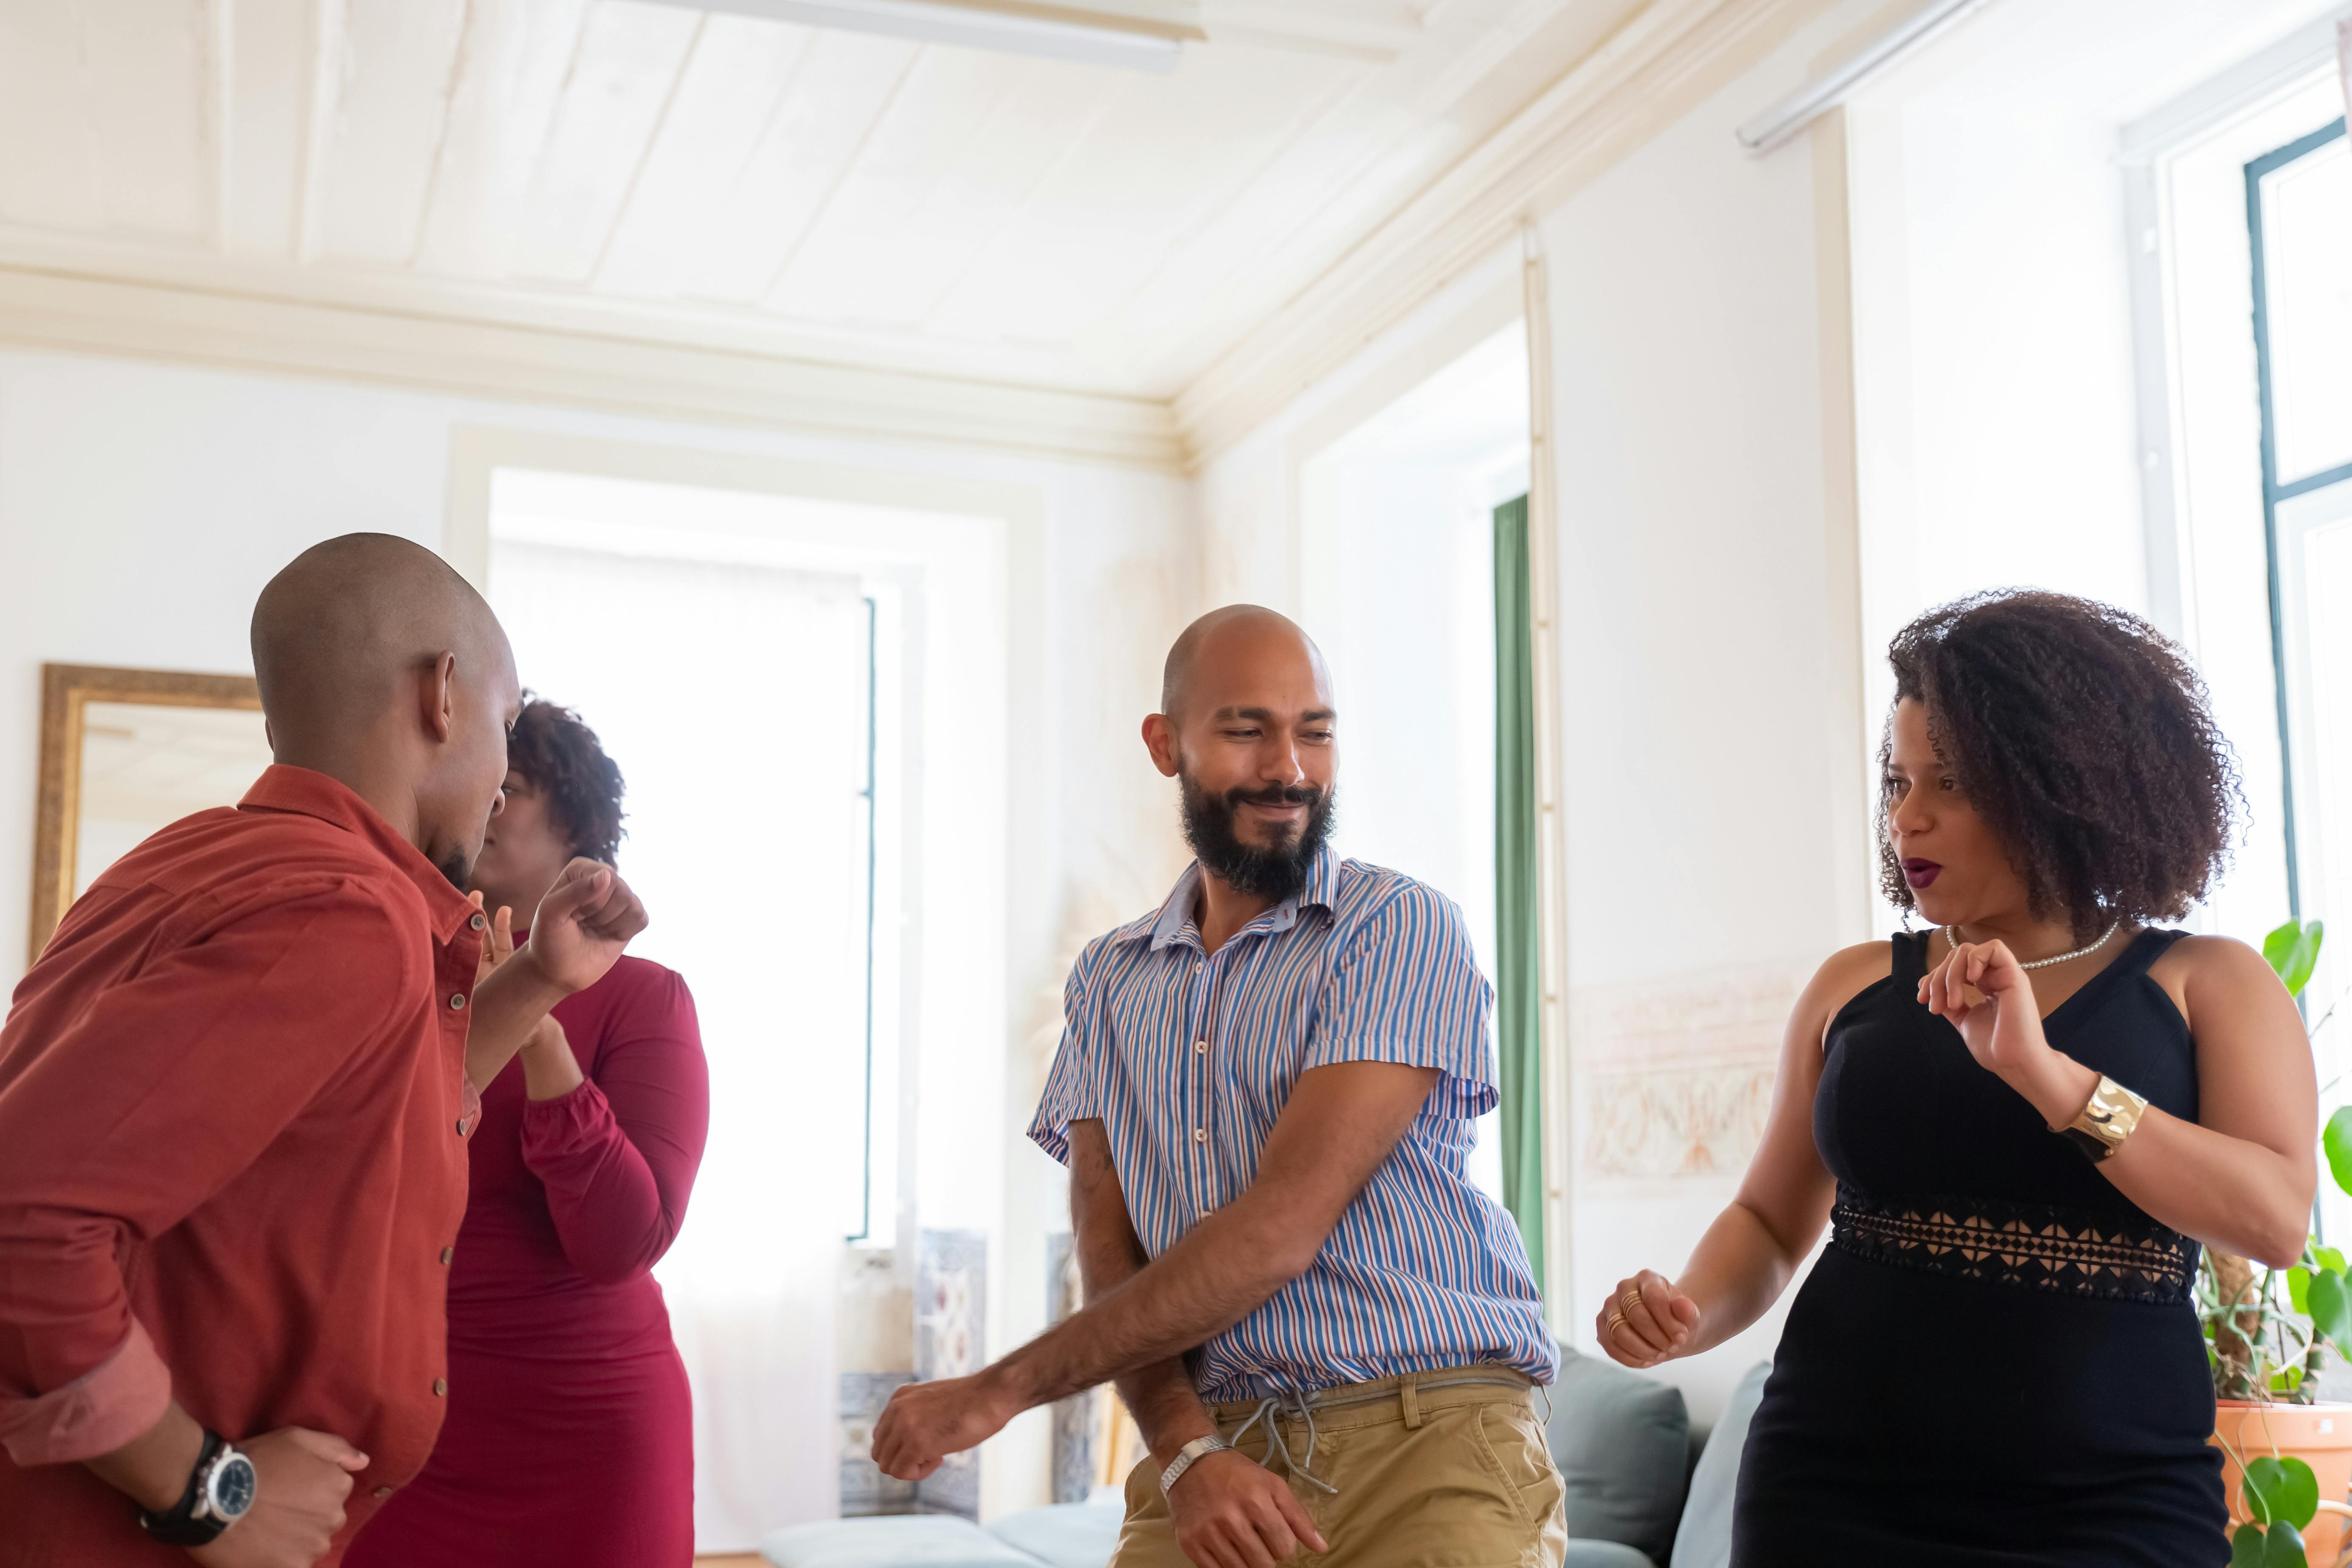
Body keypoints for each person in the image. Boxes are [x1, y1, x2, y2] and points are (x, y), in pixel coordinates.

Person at [1598, 590, 2313, 1566]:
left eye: (1955, 783)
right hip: (1831, 1492)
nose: (1909, 816)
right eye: (1899, 779)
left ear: (2064, 784)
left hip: (2112, 1509)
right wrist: (1683, 1316)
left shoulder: (2210, 982)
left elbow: (2272, 1219)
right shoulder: (1853, 986)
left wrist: (2048, 1076)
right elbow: (1769, 1223)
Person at [0, 535, 647, 1568]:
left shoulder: (190, 856)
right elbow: (21, 1216)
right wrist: (209, 1490)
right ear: (443, 695)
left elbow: (366, 1115)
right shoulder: (346, 910)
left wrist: (535, 981)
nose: (498, 784)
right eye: (505, 719)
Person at [872, 605, 1563, 1568]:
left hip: (1430, 1438)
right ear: (1168, 744)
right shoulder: (1109, 978)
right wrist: (1188, 1447)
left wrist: (999, 1386)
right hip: (1213, 1445)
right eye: (1247, 730)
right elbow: (1113, 1250)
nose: (1289, 768)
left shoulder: (1398, 927)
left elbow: (1279, 1227)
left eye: (1314, 731)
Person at [346, 699, 707, 1568]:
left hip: (589, 1426)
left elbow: (622, 1242)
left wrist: (537, 1025)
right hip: (403, 1419)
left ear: (577, 827)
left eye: (511, 787)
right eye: (484, 787)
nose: (490, 806)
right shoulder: (389, 973)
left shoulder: (646, 997)